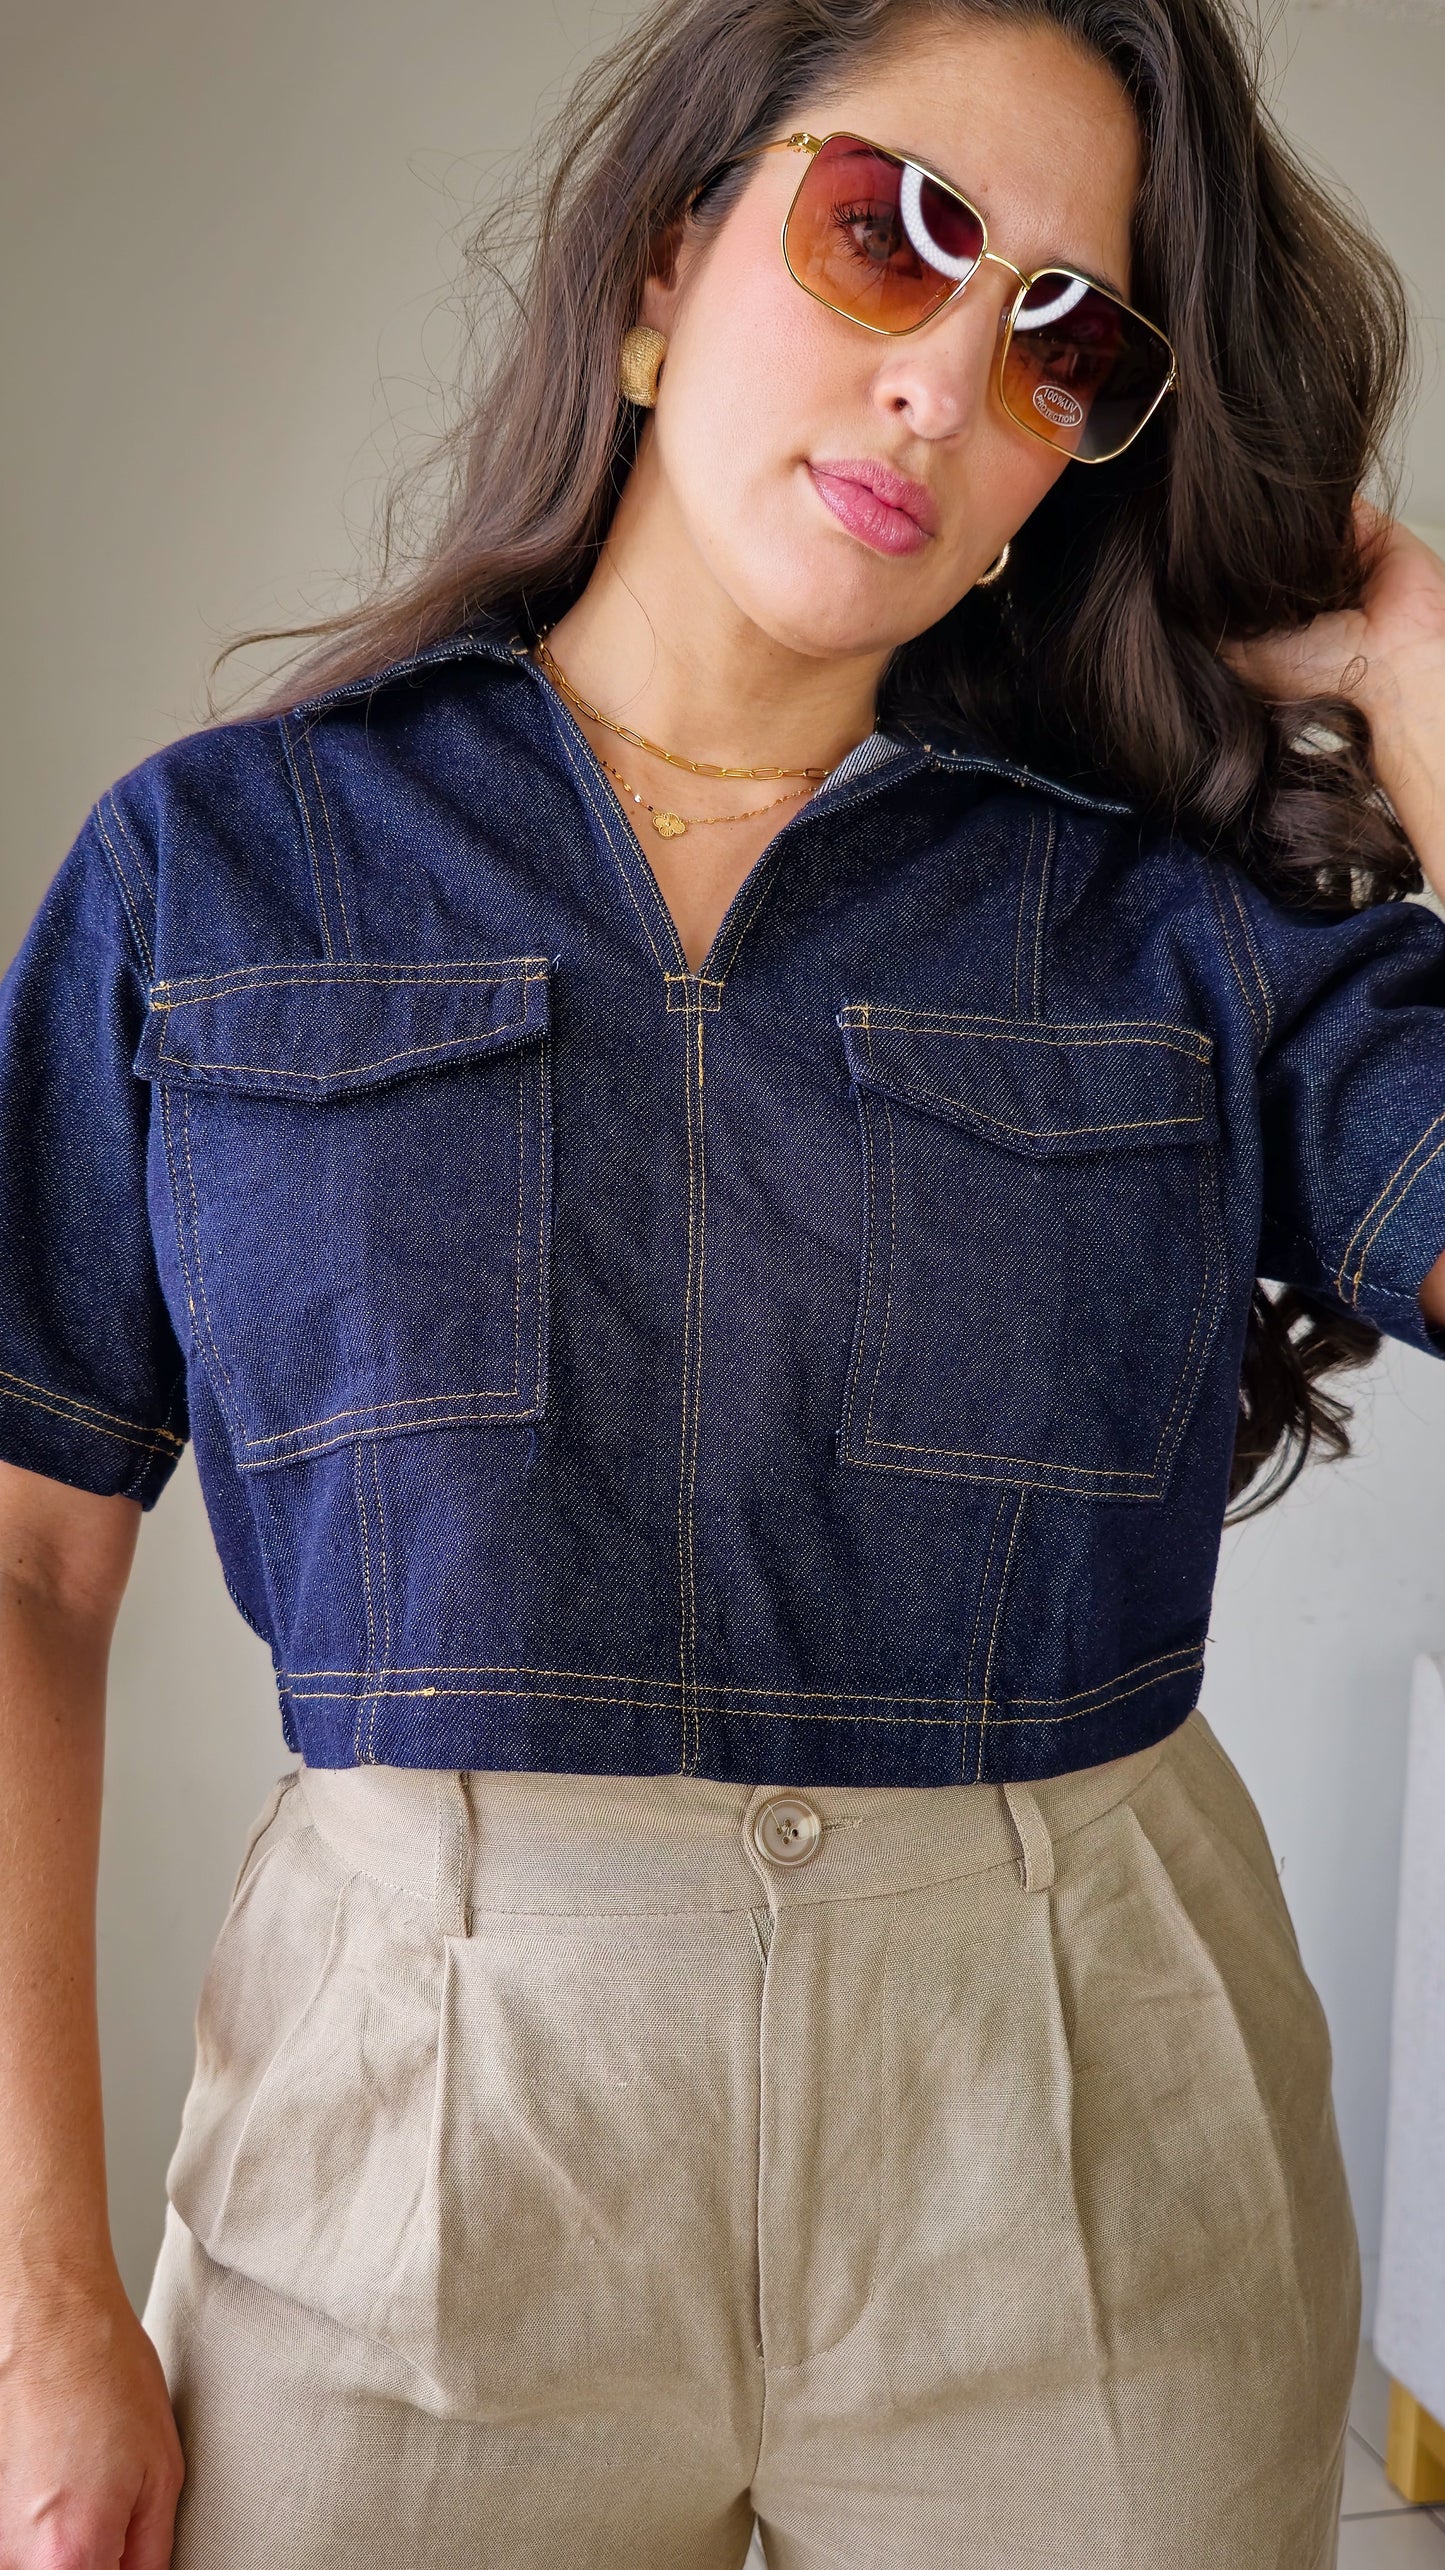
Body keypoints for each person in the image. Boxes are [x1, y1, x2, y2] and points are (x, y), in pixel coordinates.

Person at [2, 0, 1444, 2560]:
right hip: (404, 2195)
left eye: (1059, 343)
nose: (937, 384)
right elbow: (22, 1563)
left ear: (1065, 474)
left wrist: (1431, 689)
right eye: (891, 231)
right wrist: (37, 2310)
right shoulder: (220, 878)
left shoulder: (1179, 923)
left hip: (1081, 2152)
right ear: (666, 265)